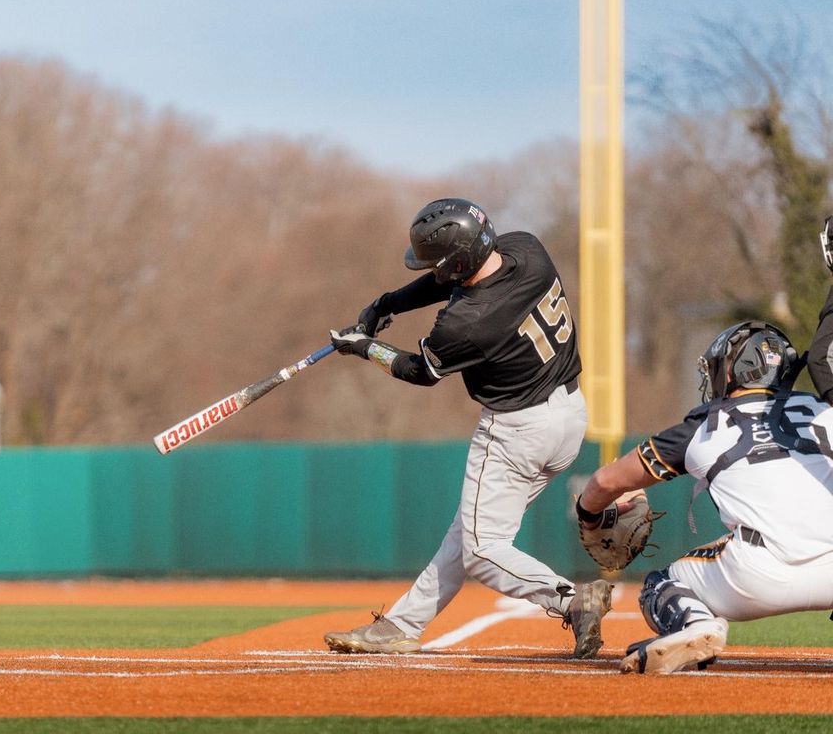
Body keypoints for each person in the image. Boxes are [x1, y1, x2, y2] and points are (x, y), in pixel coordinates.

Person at [323, 197, 611, 659]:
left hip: (516, 431)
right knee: (469, 534)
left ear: (458, 262)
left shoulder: (466, 324)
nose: (436, 272)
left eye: (440, 264)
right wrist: (388, 303)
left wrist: (364, 347)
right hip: (569, 416)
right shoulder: (526, 248)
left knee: (482, 549)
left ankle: (571, 600)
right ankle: (401, 624)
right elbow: (451, 281)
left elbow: (420, 371)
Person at [576, 231, 833, 672]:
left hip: (758, 574)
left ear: (733, 370)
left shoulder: (704, 426)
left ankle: (696, 625)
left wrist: (589, 512)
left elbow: (606, 481)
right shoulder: (820, 408)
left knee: (660, 583)